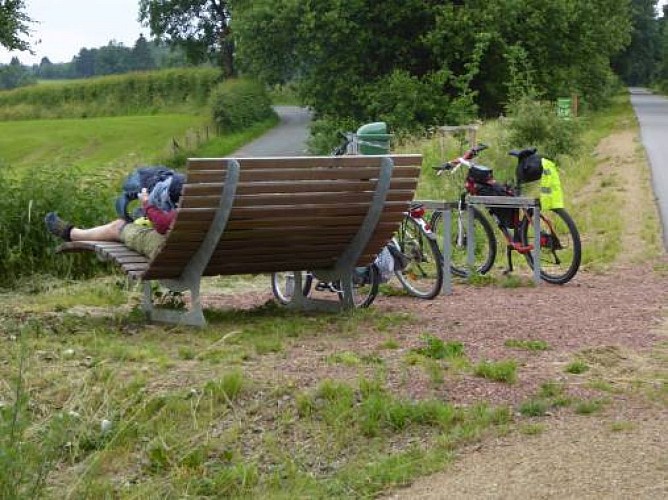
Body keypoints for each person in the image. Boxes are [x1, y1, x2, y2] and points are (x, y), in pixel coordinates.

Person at [45, 176, 181, 260]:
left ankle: (72, 234)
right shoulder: (200, 197)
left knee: (119, 226)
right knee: (137, 220)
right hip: (199, 253)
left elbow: (163, 225)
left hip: (171, 251)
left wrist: (146, 204)